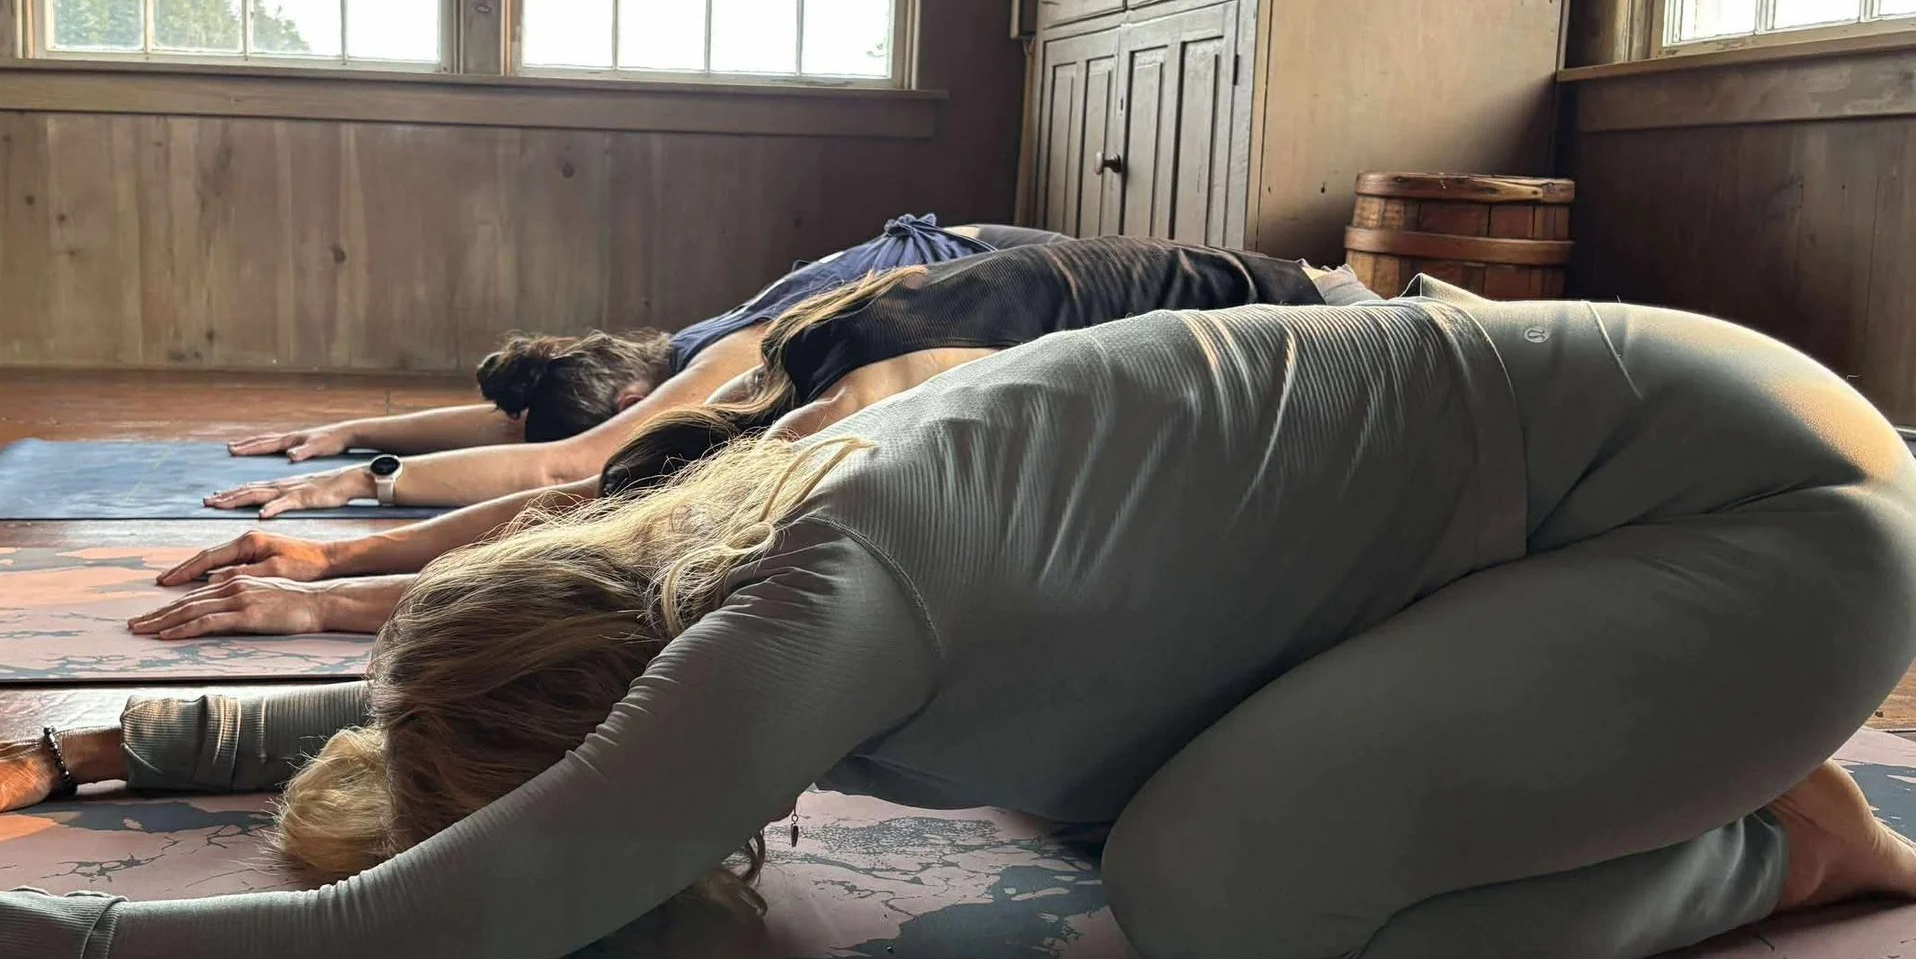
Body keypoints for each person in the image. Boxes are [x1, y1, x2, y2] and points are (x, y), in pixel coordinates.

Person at [0, 286, 1916, 959]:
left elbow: (386, 944)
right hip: (1650, 473)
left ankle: (1768, 832)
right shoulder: (696, 556)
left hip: (1763, 534)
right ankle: (1660, 734)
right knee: (1100, 807)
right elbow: (465, 709)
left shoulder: (810, 621)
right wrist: (100, 733)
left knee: (1223, 902)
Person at [124, 235, 1350, 641]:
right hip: (1254, 328)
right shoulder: (774, 364)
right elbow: (580, 491)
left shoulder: (843, 394)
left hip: (1341, 340)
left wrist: (337, 581)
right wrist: (339, 554)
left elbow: (611, 539)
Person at [203, 212, 1067, 513]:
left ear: (627, 399)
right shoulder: (670, 348)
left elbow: (571, 460)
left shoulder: (721, 354)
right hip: (1015, 271)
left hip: (1059, 288)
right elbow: (528, 426)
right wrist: (354, 432)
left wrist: (370, 481)